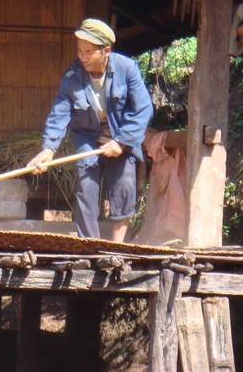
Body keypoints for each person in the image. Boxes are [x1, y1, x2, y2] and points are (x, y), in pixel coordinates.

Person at [28, 18, 152, 242]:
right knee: (86, 188)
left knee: (124, 186)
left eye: (88, 52)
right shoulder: (72, 77)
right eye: (79, 51)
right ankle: (90, 245)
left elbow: (143, 109)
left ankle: (117, 247)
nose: (82, 56)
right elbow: (60, 114)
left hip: (120, 137)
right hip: (88, 138)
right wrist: (48, 149)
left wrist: (121, 142)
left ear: (106, 50)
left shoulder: (127, 69)